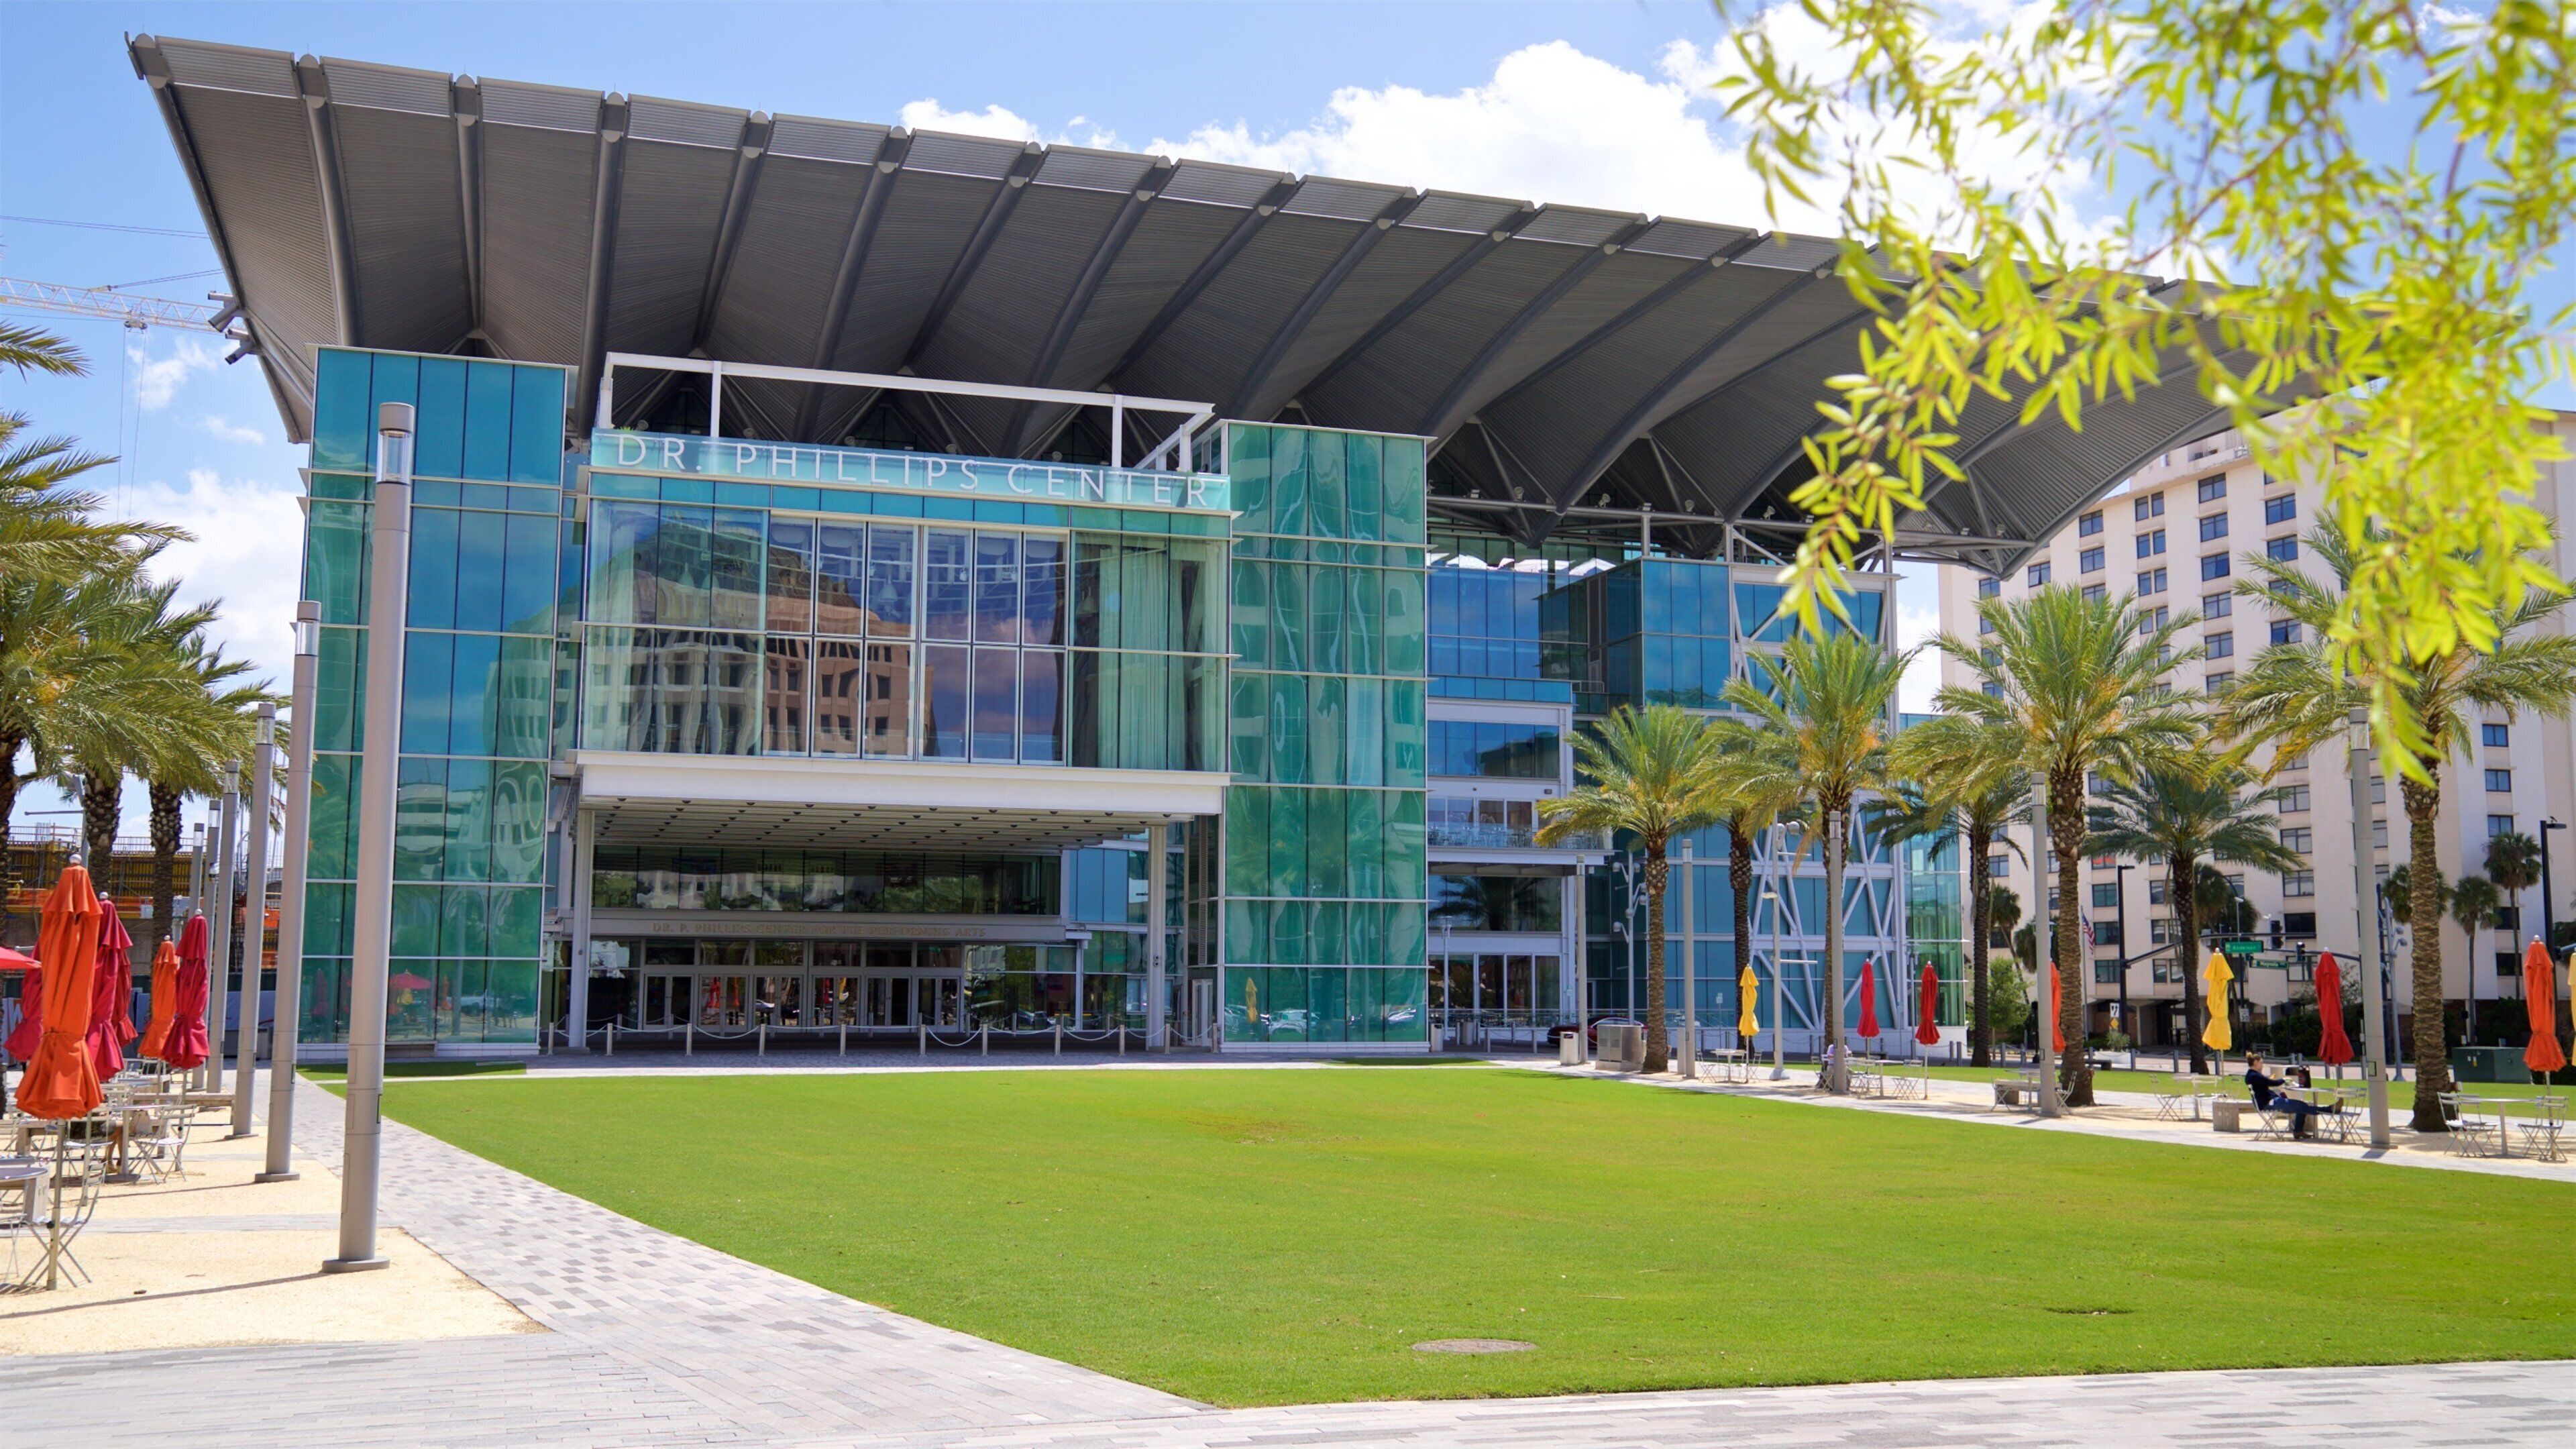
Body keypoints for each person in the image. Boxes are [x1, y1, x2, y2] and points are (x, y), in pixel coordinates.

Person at [2245, 1053, 2337, 1138]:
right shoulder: (2255, 1076)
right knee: (2302, 1106)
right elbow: (2273, 1083)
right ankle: (2329, 1110)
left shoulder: (2251, 1075)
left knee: (2302, 1105)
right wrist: (2284, 1079)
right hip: (2269, 1103)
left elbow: (2265, 1085)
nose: (2263, 1065)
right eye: (2261, 1063)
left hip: (2269, 1102)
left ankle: (2298, 1130)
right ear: (2256, 1062)